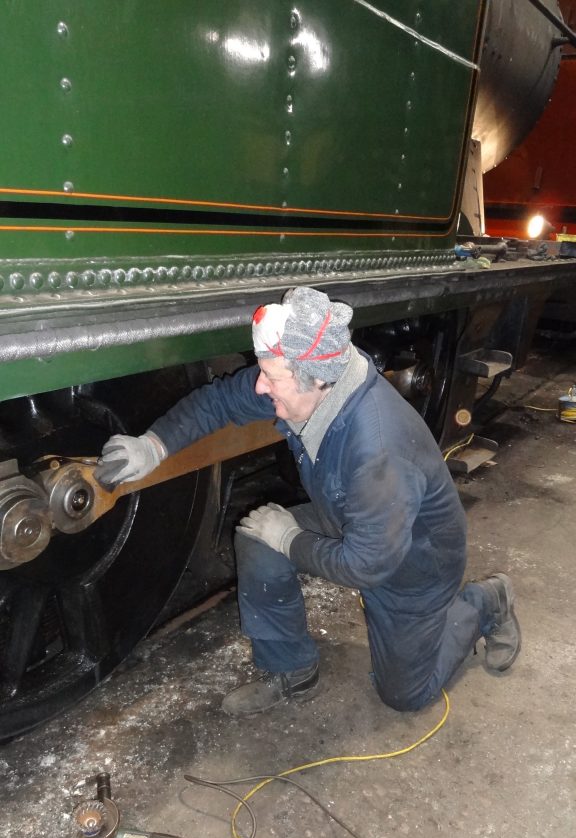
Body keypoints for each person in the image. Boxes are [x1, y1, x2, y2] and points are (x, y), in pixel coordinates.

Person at [96, 286, 521, 716]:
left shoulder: (377, 449)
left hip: (414, 564)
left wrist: (290, 540)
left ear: (317, 379)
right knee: (258, 536)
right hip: (351, 520)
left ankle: (486, 601)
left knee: (406, 695)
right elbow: (220, 400)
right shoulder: (307, 378)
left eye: (272, 377)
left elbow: (369, 566)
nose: (261, 385)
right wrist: (153, 445)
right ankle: (292, 667)